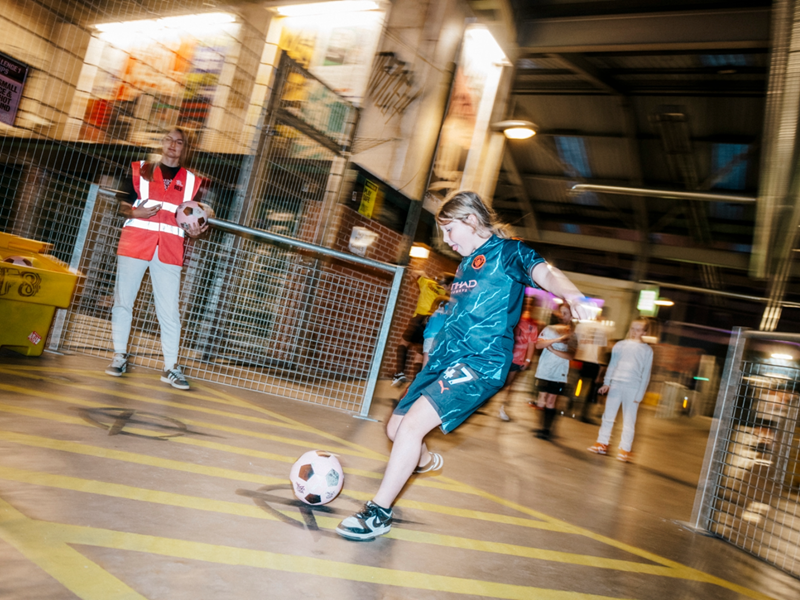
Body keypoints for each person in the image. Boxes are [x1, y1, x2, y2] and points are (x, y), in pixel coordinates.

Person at [336, 190, 595, 541]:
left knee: (411, 428)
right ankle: (423, 461)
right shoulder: (463, 265)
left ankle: (378, 513)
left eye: (448, 230)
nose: (446, 240)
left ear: (471, 221)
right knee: (395, 429)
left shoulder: (509, 252)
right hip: (444, 358)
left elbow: (545, 273)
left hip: (481, 361)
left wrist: (573, 295)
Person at [105, 126, 210, 390]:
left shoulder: (192, 182)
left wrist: (196, 232)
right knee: (123, 302)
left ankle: (171, 367)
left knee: (169, 312)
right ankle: (119, 356)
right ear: (162, 143)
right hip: (135, 245)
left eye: (179, 142)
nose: (173, 145)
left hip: (169, 251)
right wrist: (134, 213)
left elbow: (194, 219)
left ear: (186, 149)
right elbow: (122, 204)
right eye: (169, 139)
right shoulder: (142, 169)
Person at [587, 318, 654, 462]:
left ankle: (625, 449)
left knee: (629, 421)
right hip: (616, 384)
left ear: (645, 332)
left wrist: (640, 393)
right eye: (632, 328)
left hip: (633, 387)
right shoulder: (620, 345)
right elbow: (612, 365)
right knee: (608, 417)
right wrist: (607, 383)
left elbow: (646, 374)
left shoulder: (647, 350)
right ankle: (602, 443)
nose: (634, 332)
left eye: (638, 329)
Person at [391, 272, 453, 386]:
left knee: (403, 343)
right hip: (430, 323)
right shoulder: (445, 293)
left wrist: (425, 275)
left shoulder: (427, 282)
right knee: (420, 354)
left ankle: (399, 372)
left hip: (419, 318)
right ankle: (415, 383)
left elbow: (416, 272)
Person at [532, 303, 575, 439]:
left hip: (559, 372)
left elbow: (570, 356)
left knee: (551, 400)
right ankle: (541, 426)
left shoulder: (573, 334)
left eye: (566, 313)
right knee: (541, 399)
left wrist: (552, 349)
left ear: (571, 316)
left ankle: (546, 430)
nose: (563, 316)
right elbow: (538, 345)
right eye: (561, 312)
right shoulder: (549, 329)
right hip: (544, 369)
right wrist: (558, 339)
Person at [498, 296, 538, 421]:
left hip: (517, 359)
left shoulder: (532, 325)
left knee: (508, 385)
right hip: (502, 356)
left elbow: (532, 343)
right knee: (495, 382)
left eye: (530, 304)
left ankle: (503, 407)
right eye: (525, 303)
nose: (527, 306)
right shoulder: (511, 316)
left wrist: (528, 360)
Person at [574, 317, 610, 424]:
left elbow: (576, 341)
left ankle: (571, 407)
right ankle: (584, 413)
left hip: (580, 358)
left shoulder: (583, 326)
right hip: (594, 360)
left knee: (577, 384)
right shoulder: (604, 329)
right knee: (591, 388)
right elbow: (603, 348)